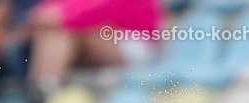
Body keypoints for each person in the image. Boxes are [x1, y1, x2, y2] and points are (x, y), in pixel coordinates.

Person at [28, 0, 163, 97]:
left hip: (135, 41)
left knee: (64, 30)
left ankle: (46, 87)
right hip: (102, 35)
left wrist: (58, 18)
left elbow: (102, 10)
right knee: (51, 32)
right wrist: (46, 17)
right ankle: (40, 86)